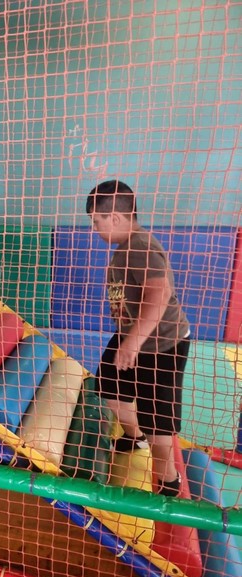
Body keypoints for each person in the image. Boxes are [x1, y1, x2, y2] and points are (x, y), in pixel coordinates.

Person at [86, 180, 190, 496]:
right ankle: (135, 437)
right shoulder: (126, 248)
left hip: (162, 345)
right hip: (131, 335)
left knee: (156, 419)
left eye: (97, 222)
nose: (94, 229)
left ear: (116, 217)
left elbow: (160, 294)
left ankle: (169, 481)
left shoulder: (140, 247)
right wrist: (128, 339)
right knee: (109, 388)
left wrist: (133, 342)